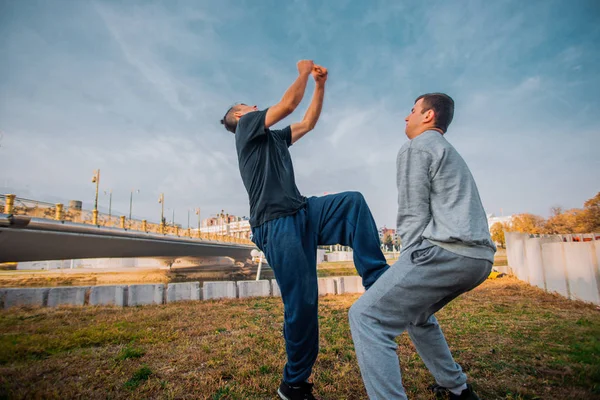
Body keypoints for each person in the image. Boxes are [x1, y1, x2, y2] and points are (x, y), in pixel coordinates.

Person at [220, 60, 389, 400]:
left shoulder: (273, 139)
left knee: (351, 202)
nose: (254, 107)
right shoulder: (246, 128)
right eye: (248, 107)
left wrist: (320, 85)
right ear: (240, 116)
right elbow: (288, 105)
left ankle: (379, 282)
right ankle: (293, 384)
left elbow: (307, 122)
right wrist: (302, 73)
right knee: (303, 303)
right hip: (275, 223)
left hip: (302, 211)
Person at [348, 93, 496, 400]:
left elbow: (413, 212)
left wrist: (408, 263)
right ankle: (457, 388)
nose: (406, 116)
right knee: (416, 315)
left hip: (448, 252)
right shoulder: (448, 151)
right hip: (479, 259)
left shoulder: (418, 147)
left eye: (412, 110)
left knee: (366, 316)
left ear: (428, 116)